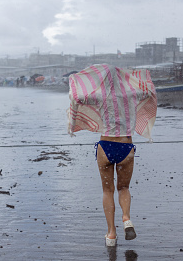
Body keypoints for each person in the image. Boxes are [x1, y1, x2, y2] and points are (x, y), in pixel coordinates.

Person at [67, 64, 157, 247]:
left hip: (106, 146)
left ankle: (111, 234)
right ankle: (126, 218)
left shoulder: (99, 95)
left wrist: (75, 79)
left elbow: (77, 97)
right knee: (123, 188)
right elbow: (149, 92)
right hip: (126, 147)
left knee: (107, 190)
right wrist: (141, 77)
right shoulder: (132, 94)